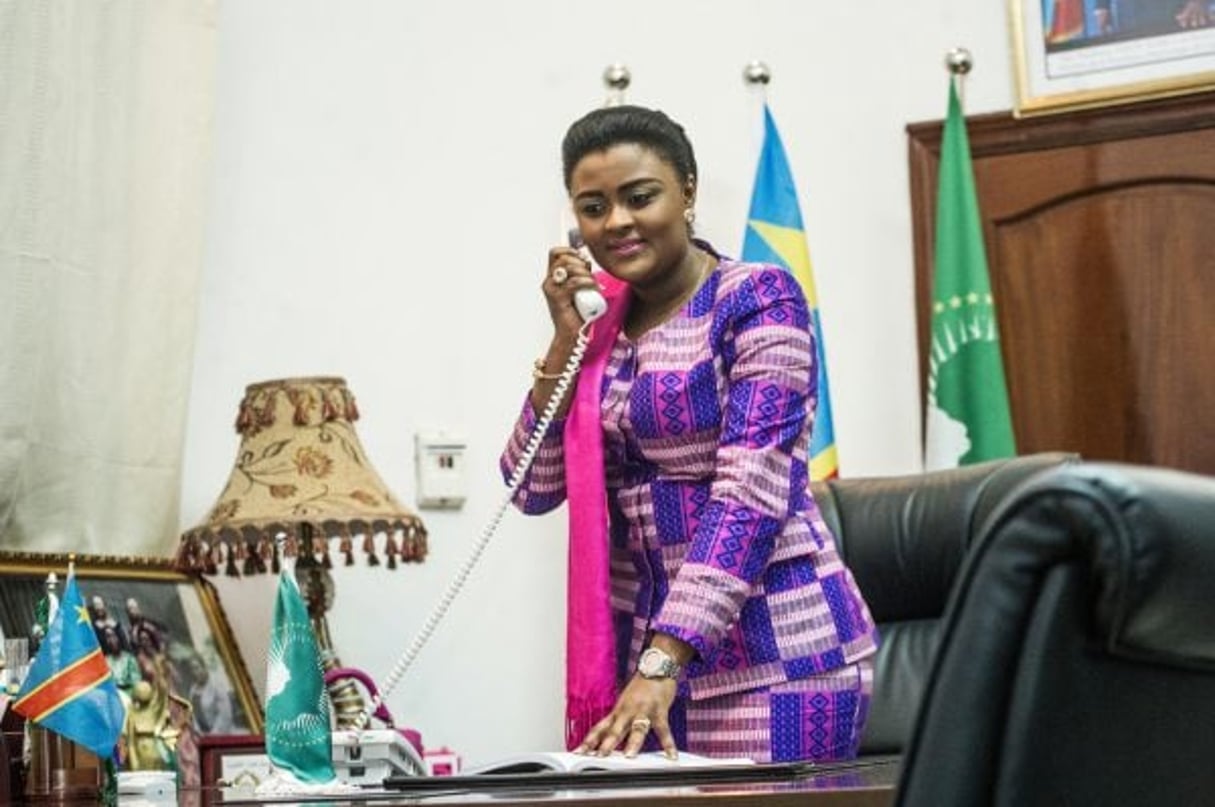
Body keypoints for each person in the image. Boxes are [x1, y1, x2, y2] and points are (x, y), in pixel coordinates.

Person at [500, 105, 878, 764]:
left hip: (777, 662)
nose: (616, 221)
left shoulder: (756, 299)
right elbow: (529, 486)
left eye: (639, 197)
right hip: (646, 666)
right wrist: (566, 338)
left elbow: (750, 496)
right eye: (593, 207)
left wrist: (662, 662)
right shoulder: (598, 330)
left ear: (688, 191)